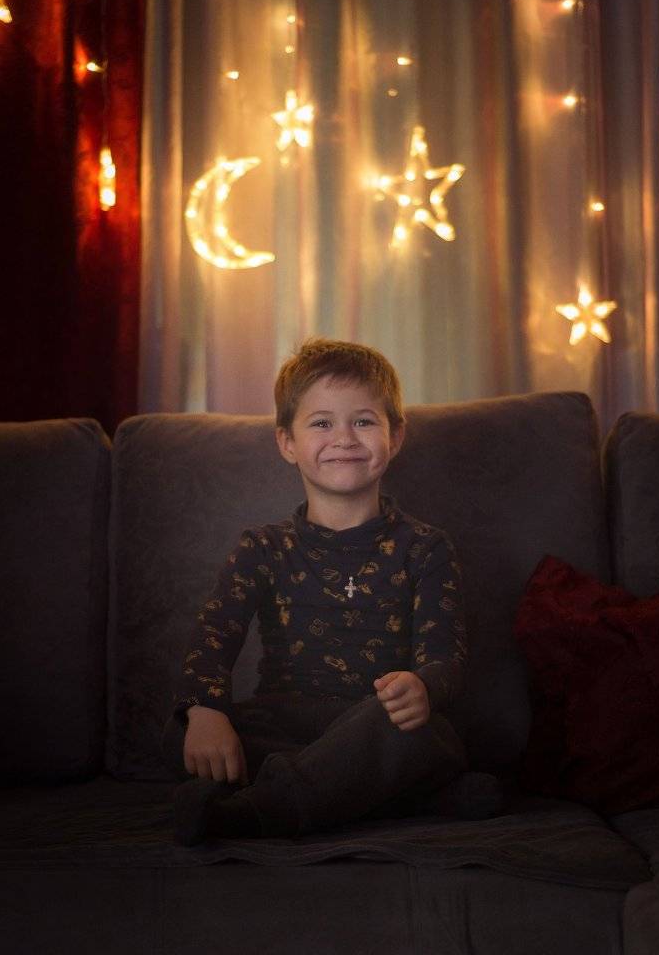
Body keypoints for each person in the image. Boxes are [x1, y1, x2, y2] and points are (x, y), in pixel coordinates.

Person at [161, 338, 503, 846]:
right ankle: (403, 797)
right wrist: (204, 708)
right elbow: (213, 639)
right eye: (321, 423)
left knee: (428, 736)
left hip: (378, 722)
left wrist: (423, 687)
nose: (343, 438)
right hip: (285, 722)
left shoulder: (425, 548)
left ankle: (253, 814)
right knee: (182, 737)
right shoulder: (263, 547)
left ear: (395, 436)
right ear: (287, 443)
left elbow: (445, 657)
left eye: (363, 421)